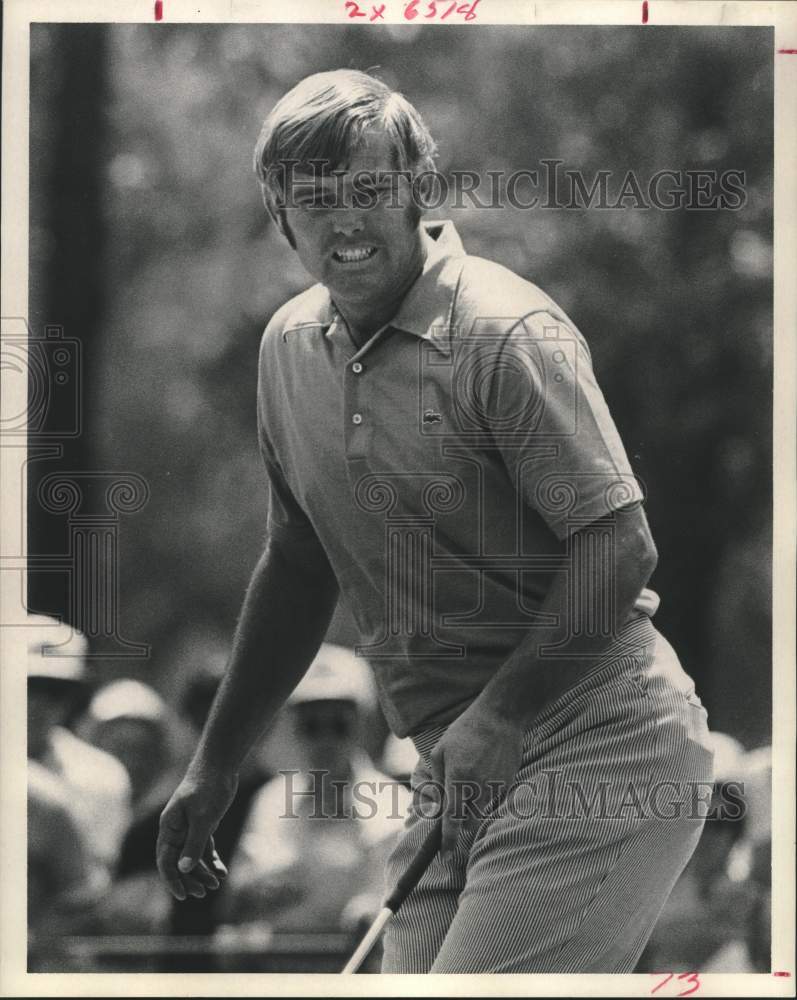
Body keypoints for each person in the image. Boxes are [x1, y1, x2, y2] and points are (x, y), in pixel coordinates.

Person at [157, 69, 714, 973]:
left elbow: (619, 545)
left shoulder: (503, 329)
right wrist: (215, 764)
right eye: (315, 200)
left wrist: (499, 720)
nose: (346, 224)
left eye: (371, 191)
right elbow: (297, 563)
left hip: (602, 740)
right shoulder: (287, 349)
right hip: (457, 758)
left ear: (420, 188)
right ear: (279, 216)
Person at [221, 644, 409, 939]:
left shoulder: (395, 803)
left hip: (361, 961)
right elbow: (235, 897)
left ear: (361, 724)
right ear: (295, 728)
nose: (325, 740)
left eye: (338, 725)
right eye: (312, 726)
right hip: (280, 960)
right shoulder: (271, 801)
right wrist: (257, 891)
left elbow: (400, 905)